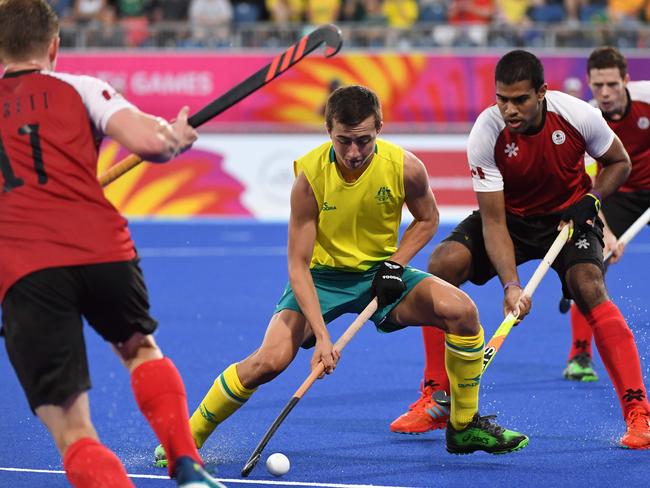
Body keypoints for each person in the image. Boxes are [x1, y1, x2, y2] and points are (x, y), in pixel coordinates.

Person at [153, 84, 529, 467]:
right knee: (270, 360)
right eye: (344, 141)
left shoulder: (405, 168)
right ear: (328, 131)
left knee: (461, 312)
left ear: (379, 128)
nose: (353, 153)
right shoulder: (309, 179)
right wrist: (321, 335)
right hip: (321, 279)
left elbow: (428, 219)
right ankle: (184, 438)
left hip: (381, 274)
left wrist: (396, 264)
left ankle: (463, 425)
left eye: (363, 141)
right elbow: (298, 265)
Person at [0, 1, 225, 486]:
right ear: (55, 46)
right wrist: (176, 136)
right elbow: (152, 143)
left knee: (74, 429)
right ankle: (187, 464)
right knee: (140, 349)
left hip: (24, 267)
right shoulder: (80, 88)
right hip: (102, 247)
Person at [389, 50, 650, 450]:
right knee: (442, 264)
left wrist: (593, 199)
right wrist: (511, 285)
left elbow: (619, 162)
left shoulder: (578, 115)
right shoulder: (486, 132)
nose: (509, 109)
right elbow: (493, 222)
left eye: (520, 100)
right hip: (509, 217)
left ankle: (638, 413)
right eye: (502, 99)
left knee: (589, 284)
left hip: (567, 217)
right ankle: (437, 396)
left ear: (542, 92)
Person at [562, 46, 650, 383]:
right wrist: (606, 229)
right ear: (589, 84)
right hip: (617, 193)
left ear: (626, 80)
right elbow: (583, 186)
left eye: (612, 84)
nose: (605, 93)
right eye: (597, 86)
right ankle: (580, 354)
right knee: (589, 265)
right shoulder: (585, 119)